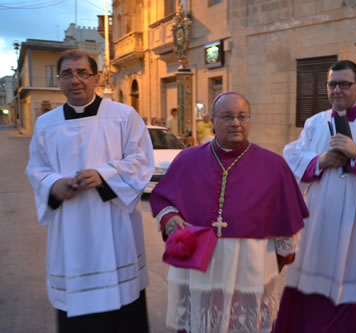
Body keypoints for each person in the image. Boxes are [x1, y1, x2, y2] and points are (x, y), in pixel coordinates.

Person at [149, 91, 309, 333]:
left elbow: (287, 234)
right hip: (200, 265)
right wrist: (171, 219)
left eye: (242, 116)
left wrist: (281, 253)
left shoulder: (274, 166)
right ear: (211, 121)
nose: (236, 123)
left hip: (250, 265)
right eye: (227, 116)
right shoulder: (187, 159)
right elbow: (163, 199)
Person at [25, 49, 154, 333]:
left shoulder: (124, 116)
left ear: (96, 77)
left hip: (115, 227)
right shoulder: (46, 124)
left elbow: (142, 160)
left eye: (82, 72)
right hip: (70, 227)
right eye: (67, 74)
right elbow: (37, 168)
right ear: (59, 80)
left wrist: (104, 175)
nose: (75, 80)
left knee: (123, 309)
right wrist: (53, 185)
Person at [274, 60, 356, 332]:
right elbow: (292, 156)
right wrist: (319, 161)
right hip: (321, 216)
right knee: (313, 282)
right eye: (332, 84)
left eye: (344, 84)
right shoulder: (314, 123)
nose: (337, 90)